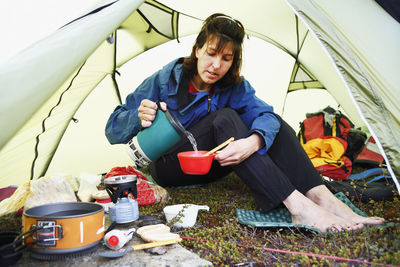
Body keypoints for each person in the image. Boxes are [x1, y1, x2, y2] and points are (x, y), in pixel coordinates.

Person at [105, 13, 385, 232]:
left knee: (270, 122)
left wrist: (255, 140)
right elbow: (112, 128)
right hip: (171, 165)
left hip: (212, 165)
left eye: (226, 58)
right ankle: (298, 205)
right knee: (226, 118)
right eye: (212, 53)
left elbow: (266, 117)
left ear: (233, 61)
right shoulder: (166, 80)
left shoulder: (234, 87)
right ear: (198, 49)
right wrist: (137, 116)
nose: (216, 65)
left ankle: (322, 197)